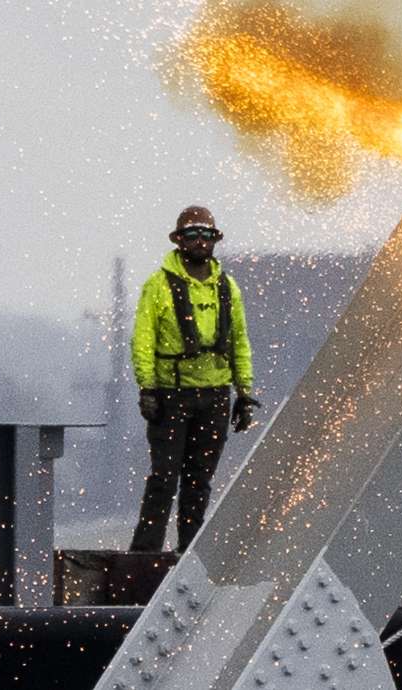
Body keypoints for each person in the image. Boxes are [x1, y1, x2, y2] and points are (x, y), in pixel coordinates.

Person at [129, 205, 259, 553]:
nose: (200, 241)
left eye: (207, 235)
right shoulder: (157, 286)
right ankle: (145, 554)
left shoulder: (227, 287)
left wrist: (244, 393)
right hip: (172, 395)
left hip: (215, 396)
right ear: (178, 240)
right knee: (164, 478)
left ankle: (190, 553)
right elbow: (143, 339)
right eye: (192, 235)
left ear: (215, 240)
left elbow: (239, 340)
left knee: (199, 481)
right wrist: (148, 388)